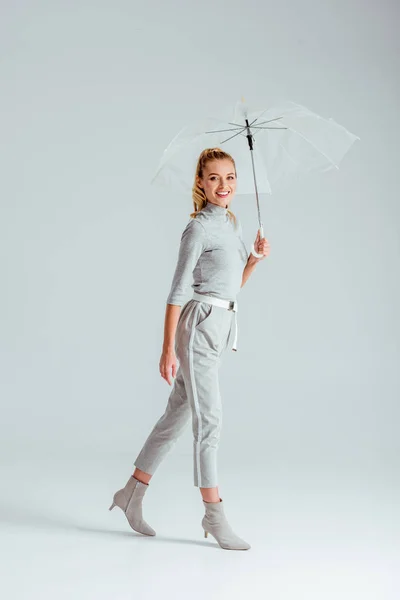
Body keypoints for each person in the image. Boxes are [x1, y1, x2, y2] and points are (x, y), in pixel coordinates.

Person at [109, 148, 270, 550]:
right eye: (214, 178)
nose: (224, 185)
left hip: (219, 325)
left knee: (176, 417)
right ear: (200, 183)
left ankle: (131, 493)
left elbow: (230, 287)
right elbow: (178, 292)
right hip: (198, 329)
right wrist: (168, 349)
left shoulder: (230, 225)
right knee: (209, 422)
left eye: (230, 177)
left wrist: (253, 259)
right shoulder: (198, 228)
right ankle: (214, 515)